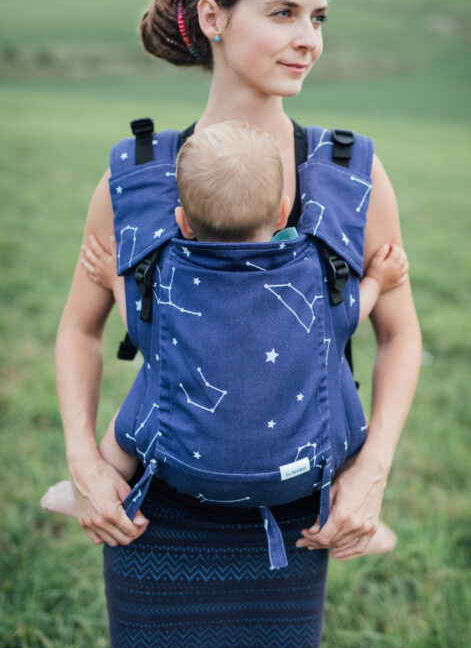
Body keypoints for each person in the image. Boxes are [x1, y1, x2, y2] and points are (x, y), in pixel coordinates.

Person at [53, 0, 421, 648]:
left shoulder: (351, 176)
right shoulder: (138, 178)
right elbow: (78, 329)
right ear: (214, 18)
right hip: (152, 518)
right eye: (283, 12)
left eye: (318, 17)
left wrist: (371, 473)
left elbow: (401, 334)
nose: (309, 38)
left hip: (297, 520)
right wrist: (85, 465)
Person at [42, 121, 408, 562]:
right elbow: (349, 314)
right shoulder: (309, 274)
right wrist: (378, 280)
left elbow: (140, 323)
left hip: (182, 462)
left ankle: (88, 484)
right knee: (343, 426)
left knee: (127, 432)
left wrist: (111, 279)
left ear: (181, 222)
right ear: (282, 213)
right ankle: (362, 518)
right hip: (297, 471)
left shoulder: (171, 274)